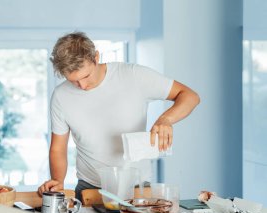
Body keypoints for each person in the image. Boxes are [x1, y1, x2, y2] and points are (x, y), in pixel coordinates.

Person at [38, 32, 200, 201]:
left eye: (86, 76)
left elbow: (190, 96)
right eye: (73, 81)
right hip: (89, 188)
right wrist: (57, 181)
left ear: (96, 57)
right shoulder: (61, 96)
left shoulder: (133, 76)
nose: (83, 86)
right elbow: (58, 148)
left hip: (137, 189)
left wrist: (166, 119)